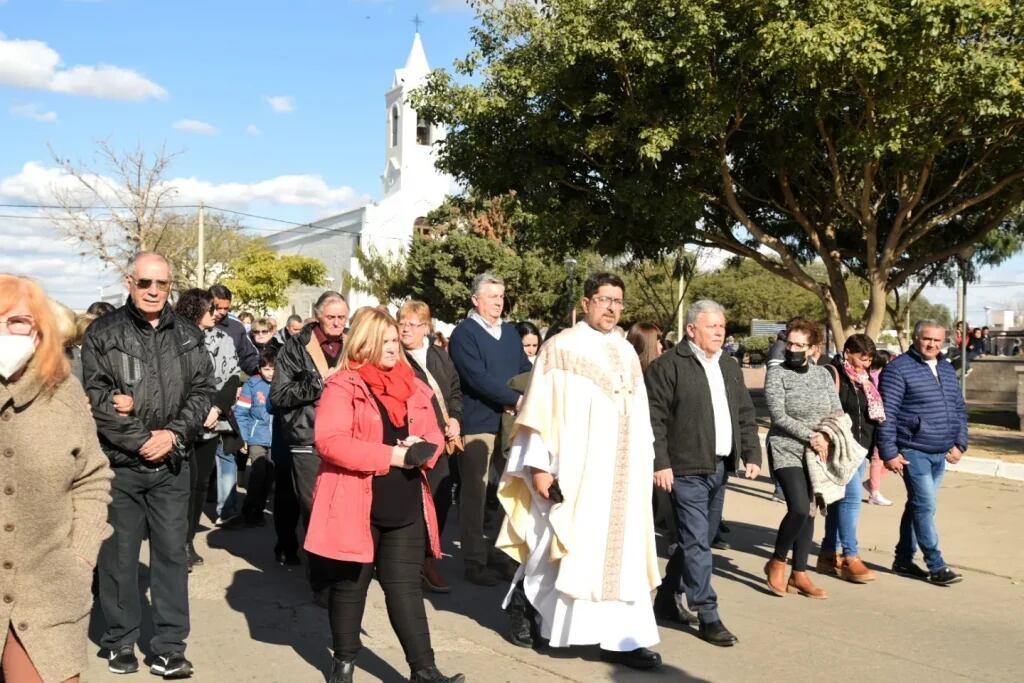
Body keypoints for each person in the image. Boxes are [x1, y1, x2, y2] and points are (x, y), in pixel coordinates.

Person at [496, 272, 662, 670]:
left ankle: (622, 638)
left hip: (622, 475)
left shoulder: (625, 352)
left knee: (623, 557)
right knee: (558, 543)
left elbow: (640, 413)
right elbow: (539, 411)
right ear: (586, 303)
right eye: (604, 299)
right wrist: (538, 467)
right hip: (577, 469)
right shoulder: (560, 348)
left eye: (618, 302)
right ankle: (533, 612)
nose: (611, 308)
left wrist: (646, 462)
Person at [305, 307, 464, 683]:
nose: (395, 348)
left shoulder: (414, 384)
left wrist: (422, 445)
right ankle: (343, 666)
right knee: (350, 587)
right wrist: (394, 454)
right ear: (366, 343)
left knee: (406, 589)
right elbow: (330, 443)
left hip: (405, 502)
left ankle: (424, 670)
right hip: (354, 501)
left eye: (396, 340)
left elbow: (435, 435)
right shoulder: (343, 385)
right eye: (387, 341)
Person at [82, 252, 214, 678]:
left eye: (162, 284)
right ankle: (120, 642)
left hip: (173, 465)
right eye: (145, 283)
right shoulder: (104, 333)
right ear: (129, 282)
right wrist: (142, 441)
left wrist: (172, 436)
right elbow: (97, 399)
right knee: (118, 558)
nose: (154, 291)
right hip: (120, 466)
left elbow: (202, 391)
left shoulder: (189, 336)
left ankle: (169, 647)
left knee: (172, 557)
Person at [0, 274, 113, 683]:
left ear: (40, 331)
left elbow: (93, 478)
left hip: (49, 590)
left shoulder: (63, 393)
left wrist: (81, 555)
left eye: (18, 322)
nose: (6, 332)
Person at [646, 300, 761, 646]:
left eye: (722, 326)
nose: (720, 331)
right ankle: (708, 614)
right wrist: (660, 462)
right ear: (691, 329)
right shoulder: (669, 366)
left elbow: (744, 411)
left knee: (700, 540)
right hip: (684, 469)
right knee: (697, 542)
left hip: (719, 466)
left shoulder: (728, 365)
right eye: (712, 326)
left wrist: (751, 451)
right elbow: (654, 419)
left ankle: (667, 598)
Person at [448, 273, 532, 586]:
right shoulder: (464, 334)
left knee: (512, 489)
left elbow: (524, 367)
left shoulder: (509, 332)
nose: (498, 302)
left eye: (501, 296)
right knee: (475, 493)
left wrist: (531, 392)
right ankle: (474, 558)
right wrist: (515, 398)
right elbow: (476, 378)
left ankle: (501, 553)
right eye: (492, 296)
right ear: (475, 300)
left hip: (510, 422)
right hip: (478, 423)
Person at [878, 319, 967, 586]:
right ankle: (936, 565)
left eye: (937, 340)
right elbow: (887, 414)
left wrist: (960, 443)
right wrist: (889, 452)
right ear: (916, 338)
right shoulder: (898, 369)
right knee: (925, 506)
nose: (932, 344)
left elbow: (959, 408)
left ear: (944, 342)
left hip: (941, 451)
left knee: (918, 506)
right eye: (927, 339)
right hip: (912, 450)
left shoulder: (947, 368)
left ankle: (903, 559)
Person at [762, 319, 837, 600]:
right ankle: (777, 561)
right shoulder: (777, 373)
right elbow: (779, 416)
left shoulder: (823, 376)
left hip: (817, 451)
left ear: (813, 349)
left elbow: (836, 411)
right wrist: (810, 435)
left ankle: (800, 573)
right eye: (789, 343)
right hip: (786, 447)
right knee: (798, 506)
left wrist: (826, 437)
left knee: (811, 511)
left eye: (799, 345)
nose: (792, 349)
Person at [270, 292, 350, 548]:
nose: (337, 322)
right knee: (311, 504)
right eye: (331, 317)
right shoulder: (295, 346)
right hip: (307, 435)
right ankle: (313, 564)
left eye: (342, 317)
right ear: (318, 316)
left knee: (341, 506)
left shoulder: (354, 343)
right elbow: (279, 394)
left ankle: (336, 562)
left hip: (347, 436)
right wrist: (317, 386)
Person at [173, 288, 241, 567]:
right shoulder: (172, 339)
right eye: (211, 309)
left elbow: (233, 376)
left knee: (201, 484)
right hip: (182, 423)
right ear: (195, 310)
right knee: (182, 484)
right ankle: (174, 541)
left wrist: (217, 408)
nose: (217, 315)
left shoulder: (223, 338)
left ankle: (187, 540)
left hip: (212, 421)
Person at [398, 301, 463, 594]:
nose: (406, 330)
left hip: (440, 442)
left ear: (426, 327)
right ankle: (405, 561)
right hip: (409, 440)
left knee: (438, 502)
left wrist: (457, 420)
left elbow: (454, 393)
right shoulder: (394, 356)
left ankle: (426, 559)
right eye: (403, 323)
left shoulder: (439, 355)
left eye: (413, 325)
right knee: (408, 503)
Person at [817, 334, 884, 583]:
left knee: (838, 503)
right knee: (853, 498)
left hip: (861, 450)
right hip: (840, 450)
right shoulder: (832, 373)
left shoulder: (866, 380)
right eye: (860, 358)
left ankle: (826, 554)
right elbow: (826, 410)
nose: (863, 364)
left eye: (868, 360)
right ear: (847, 352)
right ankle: (850, 556)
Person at [235, 347, 278, 528]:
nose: (270, 373)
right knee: (259, 472)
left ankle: (258, 512)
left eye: (274, 368)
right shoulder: (251, 385)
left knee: (269, 476)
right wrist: (243, 437)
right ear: (260, 369)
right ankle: (248, 510)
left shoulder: (283, 384)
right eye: (266, 369)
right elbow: (241, 413)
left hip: (277, 438)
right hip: (256, 436)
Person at [208, 284, 259, 376]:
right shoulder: (195, 324)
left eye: (226, 308)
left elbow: (248, 357)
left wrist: (260, 369)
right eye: (218, 308)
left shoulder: (237, 328)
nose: (222, 312)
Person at [866, 350, 894, 505]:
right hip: (878, 420)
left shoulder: (880, 375)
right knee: (878, 458)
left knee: (890, 457)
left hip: (886, 419)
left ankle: (872, 484)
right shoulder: (875, 377)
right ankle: (874, 492)